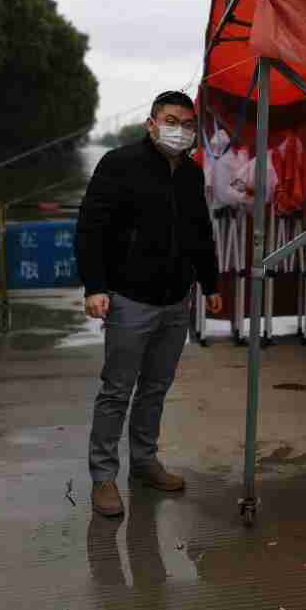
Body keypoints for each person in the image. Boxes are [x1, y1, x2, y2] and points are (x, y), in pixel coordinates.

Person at [76, 90, 222, 518]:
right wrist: (95, 287)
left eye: (188, 124)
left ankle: (143, 461)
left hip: (176, 300)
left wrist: (210, 282)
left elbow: (200, 231)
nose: (180, 130)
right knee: (116, 390)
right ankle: (104, 477)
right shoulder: (119, 164)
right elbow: (91, 228)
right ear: (152, 124)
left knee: (156, 388)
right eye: (171, 121)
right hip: (129, 299)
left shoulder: (191, 174)